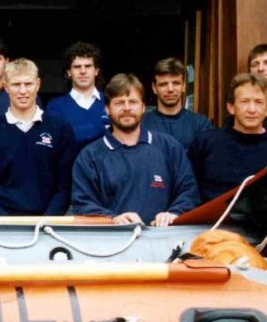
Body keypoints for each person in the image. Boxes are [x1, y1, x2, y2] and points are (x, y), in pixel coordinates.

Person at [72, 73, 199, 226]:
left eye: (132, 102)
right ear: (107, 109)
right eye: (119, 103)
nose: (126, 108)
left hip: (163, 239)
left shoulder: (168, 146)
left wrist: (174, 212)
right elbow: (82, 203)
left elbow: (189, 191)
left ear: (143, 107)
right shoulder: (90, 156)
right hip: (111, 243)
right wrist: (112, 218)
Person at [0, 58, 77, 216]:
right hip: (2, 226)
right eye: (16, 84)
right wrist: (4, 224)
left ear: (38, 84)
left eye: (28, 84)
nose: (22, 91)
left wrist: (47, 221)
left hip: (48, 225)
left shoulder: (60, 130)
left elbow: (65, 186)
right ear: (6, 87)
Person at [188, 73, 267, 202]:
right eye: (244, 101)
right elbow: (187, 188)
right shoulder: (207, 142)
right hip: (210, 220)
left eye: (259, 102)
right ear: (231, 107)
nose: (252, 109)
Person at [46, 41, 109, 149]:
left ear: (96, 71)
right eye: (77, 67)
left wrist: (75, 132)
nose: (83, 71)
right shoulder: (55, 106)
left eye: (88, 66)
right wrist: (103, 130)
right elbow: (57, 143)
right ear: (69, 72)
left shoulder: (111, 101)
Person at [141, 58, 213, 149]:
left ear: (183, 86)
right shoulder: (142, 124)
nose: (170, 89)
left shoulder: (200, 124)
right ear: (154, 88)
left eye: (176, 83)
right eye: (163, 84)